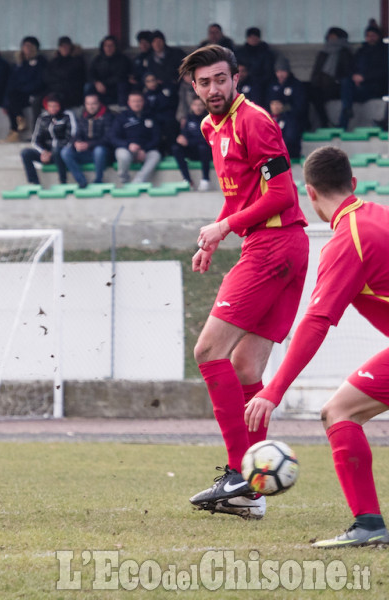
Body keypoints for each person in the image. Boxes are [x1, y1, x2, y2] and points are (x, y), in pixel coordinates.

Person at [179, 44, 308, 520]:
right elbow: (241, 196)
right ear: (193, 87)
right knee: (245, 365)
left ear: (235, 78)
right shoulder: (211, 126)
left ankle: (237, 471)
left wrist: (225, 229)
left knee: (208, 352)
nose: (213, 88)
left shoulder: (254, 120)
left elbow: (280, 194)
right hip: (274, 248)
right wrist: (212, 237)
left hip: (275, 247)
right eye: (204, 82)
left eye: (220, 79)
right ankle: (252, 491)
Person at [245, 145, 389, 546]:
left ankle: (368, 525)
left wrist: (273, 390)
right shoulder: (380, 216)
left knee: (339, 412)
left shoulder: (347, 241)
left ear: (308, 193)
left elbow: (315, 322)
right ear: (353, 184)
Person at [339, 22, 389, 130]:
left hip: (376, 88)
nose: (370, 38)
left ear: (378, 36)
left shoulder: (384, 51)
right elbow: (350, 68)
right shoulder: (361, 51)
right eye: (368, 35)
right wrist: (354, 77)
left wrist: (364, 77)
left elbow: (384, 71)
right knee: (346, 83)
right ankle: (345, 117)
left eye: (373, 35)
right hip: (359, 88)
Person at [20, 93, 75, 186]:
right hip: (46, 154)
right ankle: (34, 183)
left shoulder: (67, 116)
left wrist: (52, 152)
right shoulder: (42, 118)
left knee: (57, 150)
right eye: (50, 106)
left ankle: (63, 181)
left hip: (61, 152)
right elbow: (35, 140)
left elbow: (71, 137)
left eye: (55, 106)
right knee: (25, 153)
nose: (53, 108)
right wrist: (43, 152)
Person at [108, 90, 162, 185]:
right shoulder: (121, 117)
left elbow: (157, 138)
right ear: (129, 103)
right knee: (122, 155)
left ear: (143, 102)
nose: (136, 104)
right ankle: (124, 181)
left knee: (156, 155)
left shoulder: (150, 116)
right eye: (134, 101)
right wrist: (128, 145)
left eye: (139, 101)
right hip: (127, 149)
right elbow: (113, 137)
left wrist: (144, 149)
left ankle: (138, 181)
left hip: (145, 150)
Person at [60, 93, 113, 188]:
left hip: (104, 154)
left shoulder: (108, 116)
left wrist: (89, 144)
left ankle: (98, 180)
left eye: (94, 104)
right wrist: (76, 143)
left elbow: (108, 139)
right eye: (88, 104)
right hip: (87, 153)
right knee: (65, 152)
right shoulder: (83, 117)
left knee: (99, 150)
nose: (91, 107)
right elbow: (76, 135)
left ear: (99, 104)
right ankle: (81, 181)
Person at [0, 36, 46, 143]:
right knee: (10, 99)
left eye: (29, 46)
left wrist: (24, 89)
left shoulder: (40, 62)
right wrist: (4, 103)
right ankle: (15, 129)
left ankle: (23, 125)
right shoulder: (18, 64)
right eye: (24, 46)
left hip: (34, 92)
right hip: (20, 94)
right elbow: (11, 83)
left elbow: (40, 81)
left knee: (28, 100)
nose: (26, 48)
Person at [309, 27, 352, 130]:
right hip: (322, 84)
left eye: (333, 36)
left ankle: (339, 124)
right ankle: (323, 122)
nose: (331, 39)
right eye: (329, 37)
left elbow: (347, 71)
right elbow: (316, 71)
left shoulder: (344, 52)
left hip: (337, 85)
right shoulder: (323, 52)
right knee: (310, 91)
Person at [171, 96, 211, 191]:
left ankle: (205, 179)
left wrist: (188, 142)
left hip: (205, 151)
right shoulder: (188, 118)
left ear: (205, 106)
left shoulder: (209, 119)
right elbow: (185, 135)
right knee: (176, 148)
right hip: (191, 149)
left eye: (200, 105)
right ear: (192, 106)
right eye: (195, 105)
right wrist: (181, 138)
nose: (198, 107)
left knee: (203, 147)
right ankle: (187, 180)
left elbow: (207, 139)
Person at [234, 27, 276, 108]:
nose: (253, 39)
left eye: (255, 37)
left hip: (261, 85)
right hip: (242, 83)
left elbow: (268, 72)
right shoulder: (240, 53)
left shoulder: (266, 53)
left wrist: (257, 82)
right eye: (251, 37)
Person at [86, 35, 130, 107]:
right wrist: (96, 82)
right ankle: (89, 107)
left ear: (115, 47)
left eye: (111, 45)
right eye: (106, 46)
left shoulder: (123, 59)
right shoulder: (98, 59)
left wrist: (104, 84)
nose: (108, 48)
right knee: (88, 86)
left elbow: (120, 76)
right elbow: (91, 73)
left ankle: (122, 108)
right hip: (99, 86)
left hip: (114, 86)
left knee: (122, 85)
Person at [44, 36, 86, 111]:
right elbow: (47, 77)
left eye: (66, 46)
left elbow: (70, 76)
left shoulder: (77, 60)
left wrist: (58, 76)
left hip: (72, 91)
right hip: (55, 90)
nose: (64, 48)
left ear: (71, 47)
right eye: (62, 46)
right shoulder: (54, 61)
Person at [141, 71, 179, 153]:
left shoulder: (165, 89)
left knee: (170, 124)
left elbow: (172, 104)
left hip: (168, 117)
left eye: (153, 80)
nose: (152, 83)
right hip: (154, 119)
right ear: (145, 83)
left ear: (157, 80)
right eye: (148, 81)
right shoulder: (146, 95)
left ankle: (172, 151)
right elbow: (146, 111)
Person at [269, 89, 303, 159]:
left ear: (282, 105)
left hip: (287, 154)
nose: (276, 107)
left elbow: (290, 138)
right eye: (273, 104)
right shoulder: (267, 119)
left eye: (278, 104)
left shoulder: (290, 118)